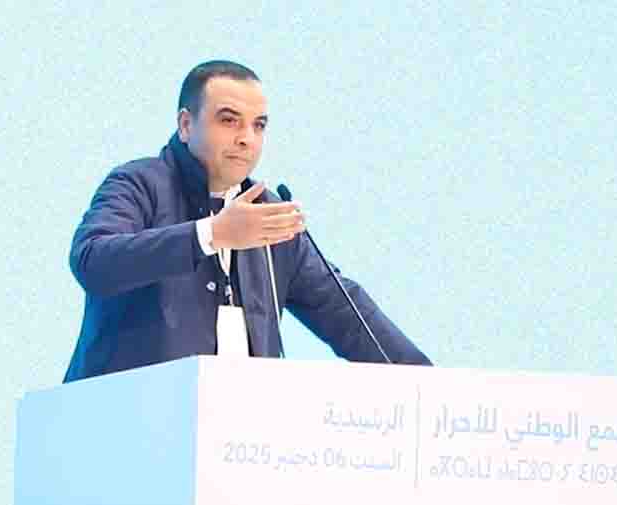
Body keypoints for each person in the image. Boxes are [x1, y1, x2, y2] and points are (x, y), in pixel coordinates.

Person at [63, 60, 430, 382]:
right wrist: (210, 234)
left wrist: (429, 383)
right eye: (229, 121)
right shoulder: (138, 184)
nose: (246, 139)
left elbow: (343, 311)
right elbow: (93, 261)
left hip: (236, 428)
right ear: (186, 125)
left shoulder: (266, 214)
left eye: (259, 125)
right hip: (126, 420)